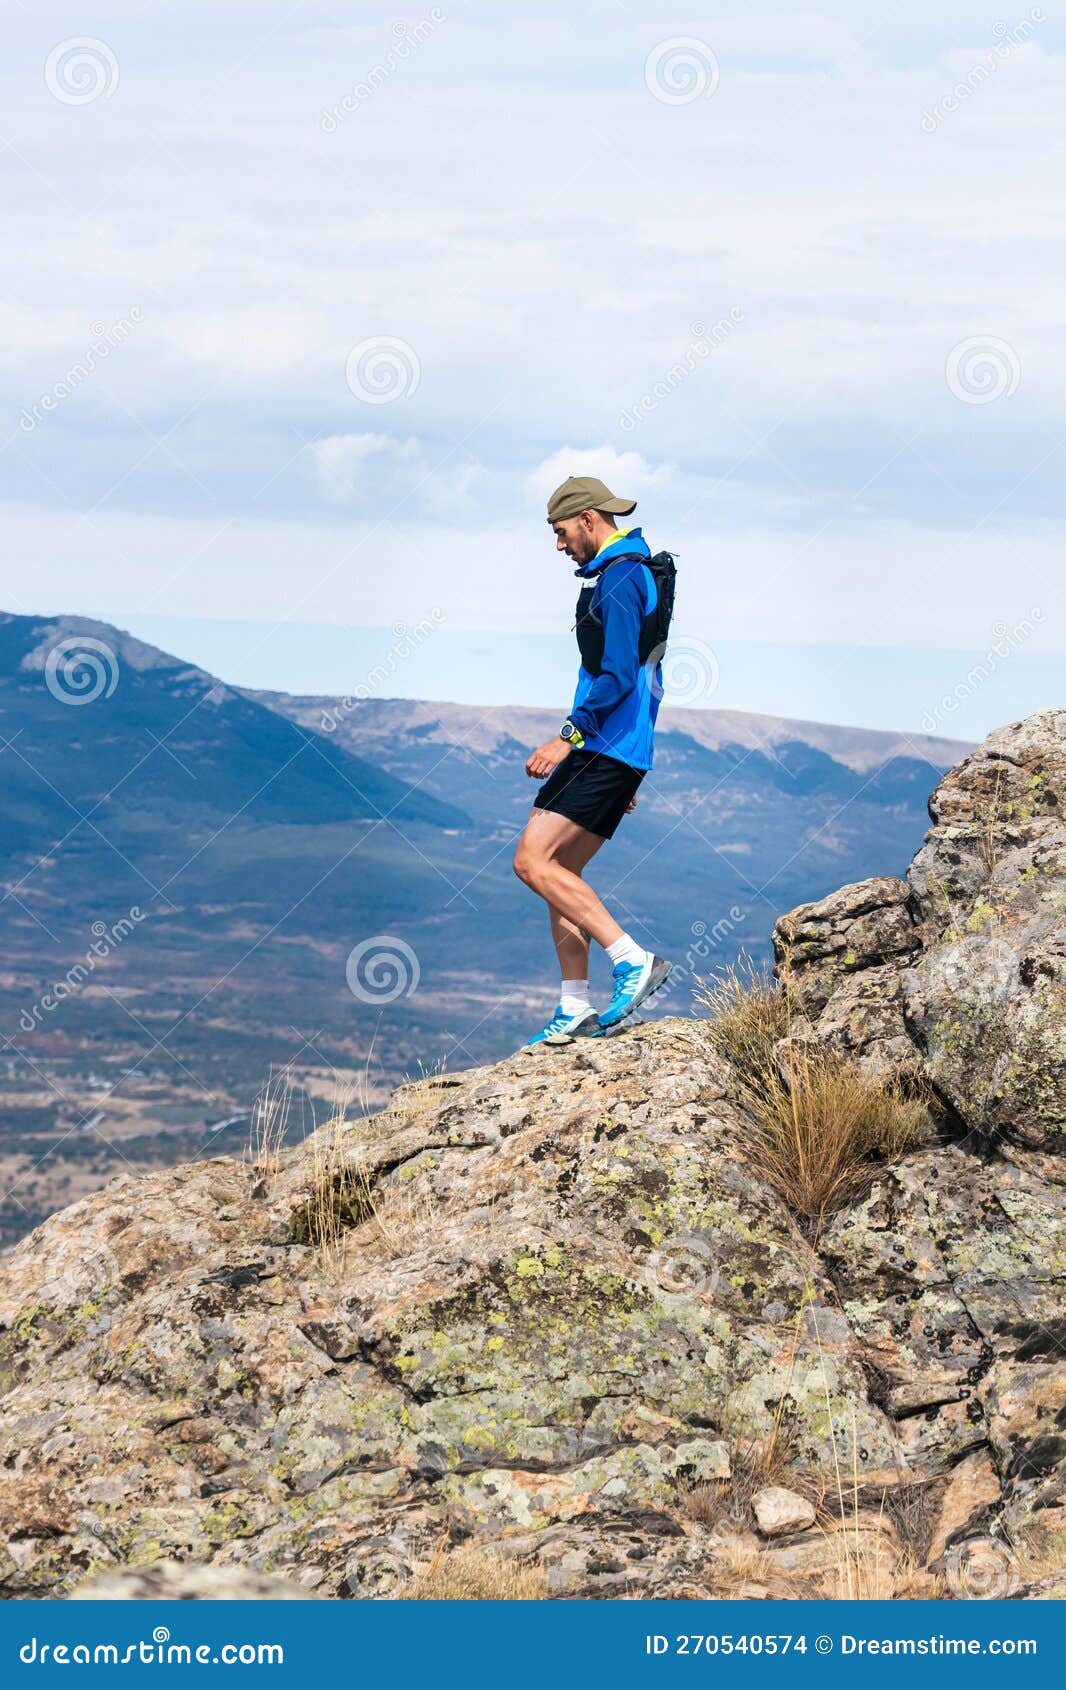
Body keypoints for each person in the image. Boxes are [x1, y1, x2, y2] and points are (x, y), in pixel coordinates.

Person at [513, 473, 673, 1045]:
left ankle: (631, 958)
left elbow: (622, 675)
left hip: (600, 743)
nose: (559, 545)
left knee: (532, 862)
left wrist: (568, 737)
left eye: (560, 532)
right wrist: (634, 764)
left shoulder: (621, 576)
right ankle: (574, 1006)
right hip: (620, 749)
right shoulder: (628, 573)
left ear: (587, 519)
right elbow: (654, 678)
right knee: (560, 873)